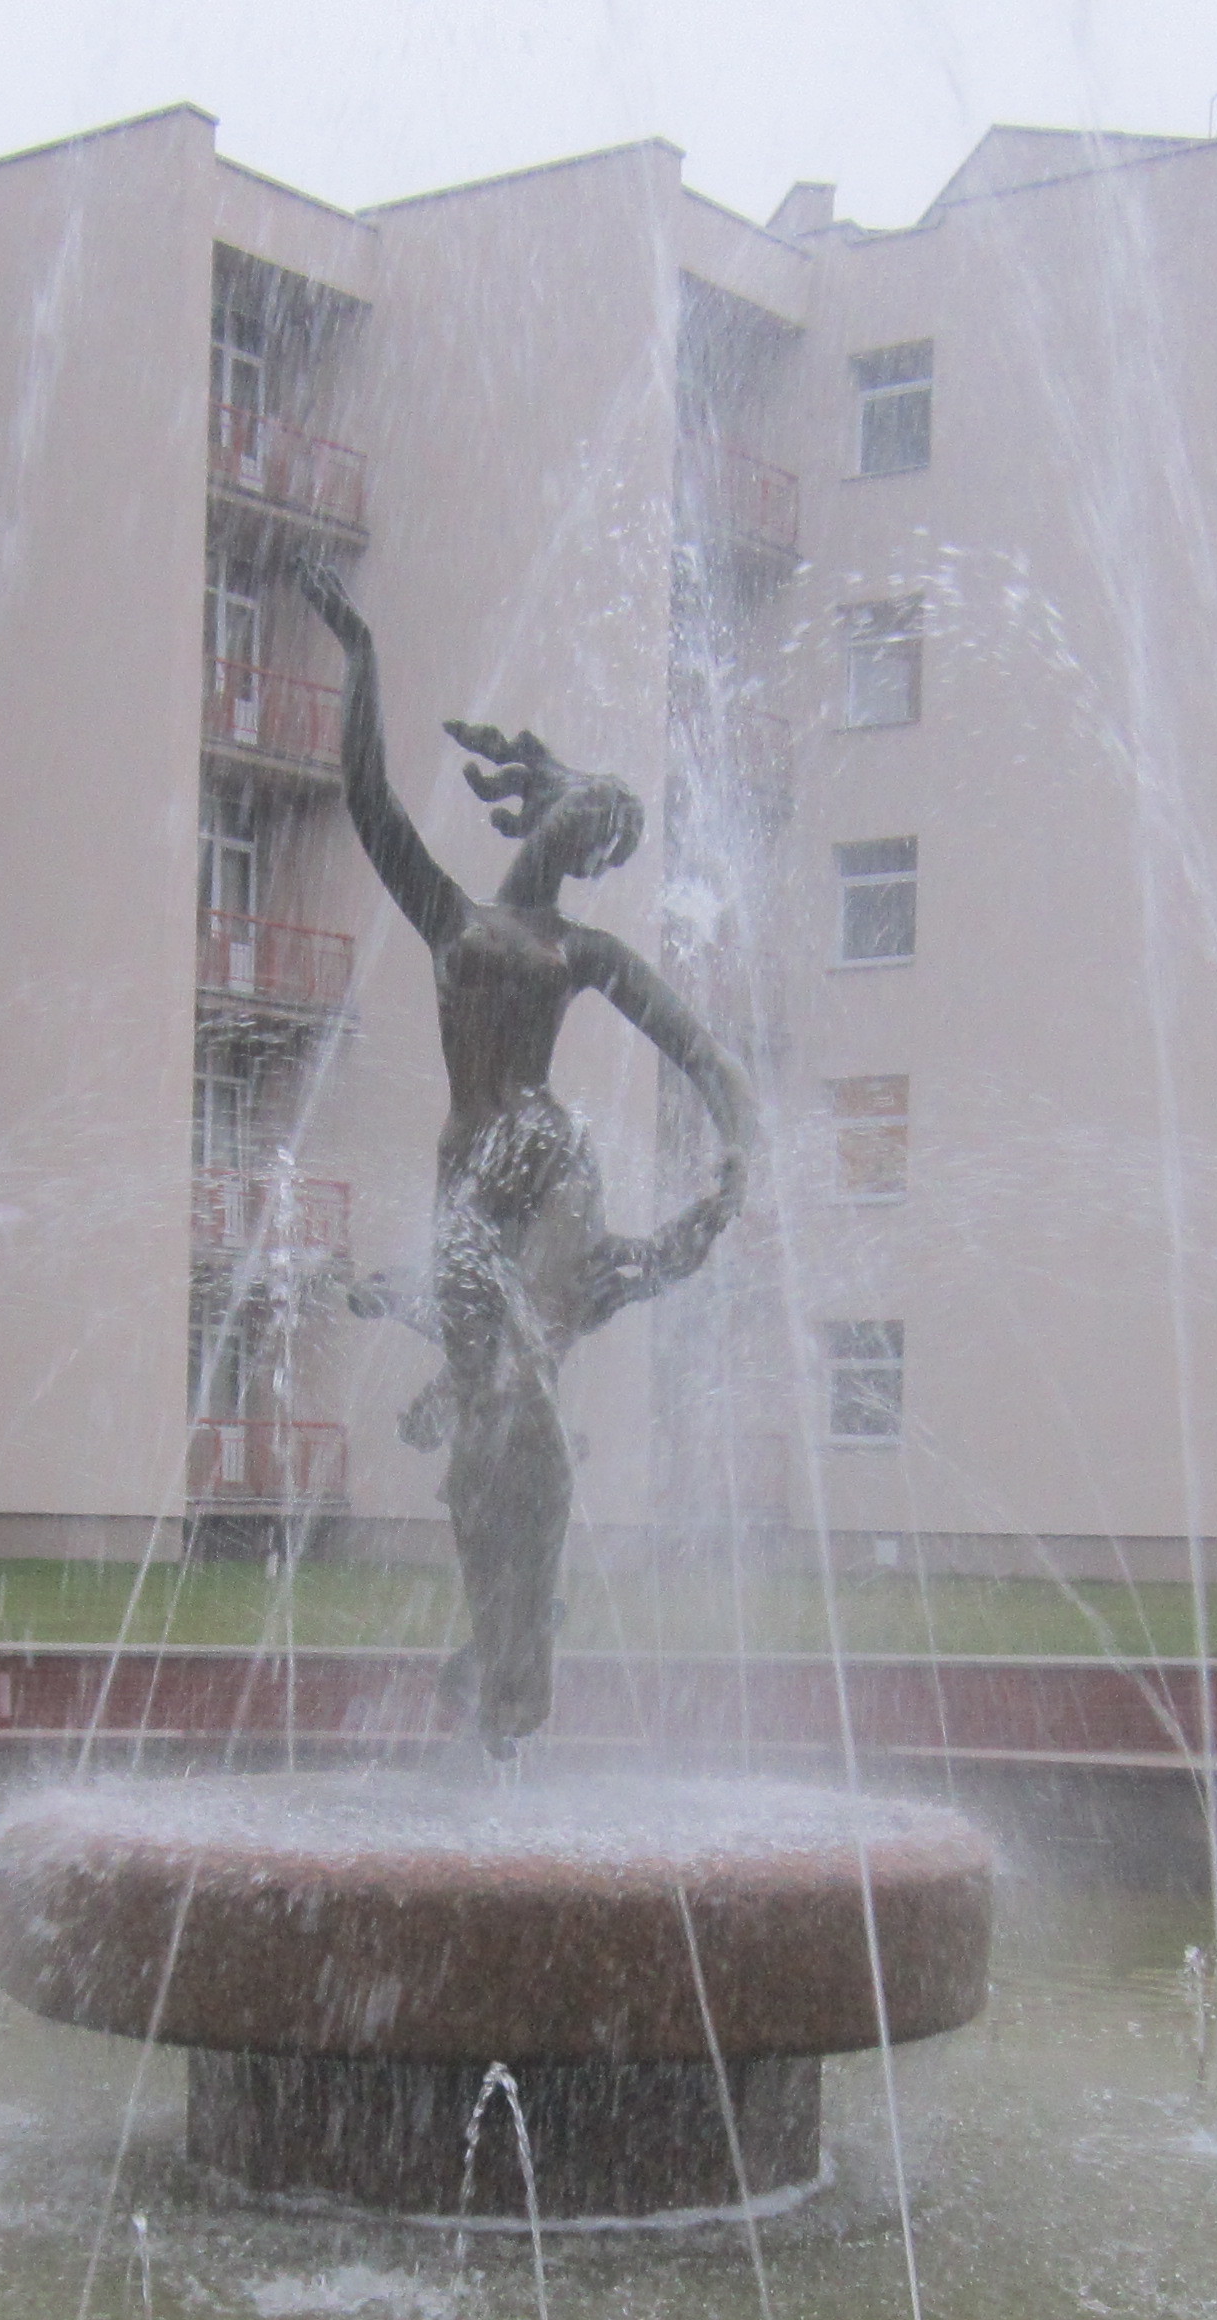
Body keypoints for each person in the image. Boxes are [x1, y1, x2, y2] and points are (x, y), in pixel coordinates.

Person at [297, 565, 755, 1755]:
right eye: (585, 810)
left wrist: (739, 1145)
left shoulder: (582, 950)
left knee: (527, 1400)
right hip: (468, 1188)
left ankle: (515, 1678)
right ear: (552, 802)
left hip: (550, 1168)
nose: (581, 831)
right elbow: (367, 799)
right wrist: (361, 654)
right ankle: (499, 1649)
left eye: (599, 832)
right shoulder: (453, 917)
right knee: (485, 1431)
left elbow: (699, 1049)